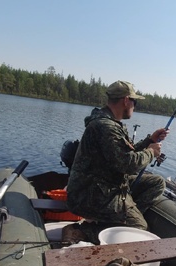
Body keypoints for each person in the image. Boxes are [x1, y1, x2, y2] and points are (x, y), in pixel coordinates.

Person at [66, 80, 169, 231]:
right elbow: (127, 164)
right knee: (139, 227)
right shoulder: (106, 127)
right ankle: (84, 232)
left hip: (104, 184)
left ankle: (119, 221)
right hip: (89, 195)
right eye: (135, 102)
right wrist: (151, 152)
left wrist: (150, 140)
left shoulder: (109, 123)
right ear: (126, 101)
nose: (135, 107)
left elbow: (124, 154)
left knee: (157, 183)